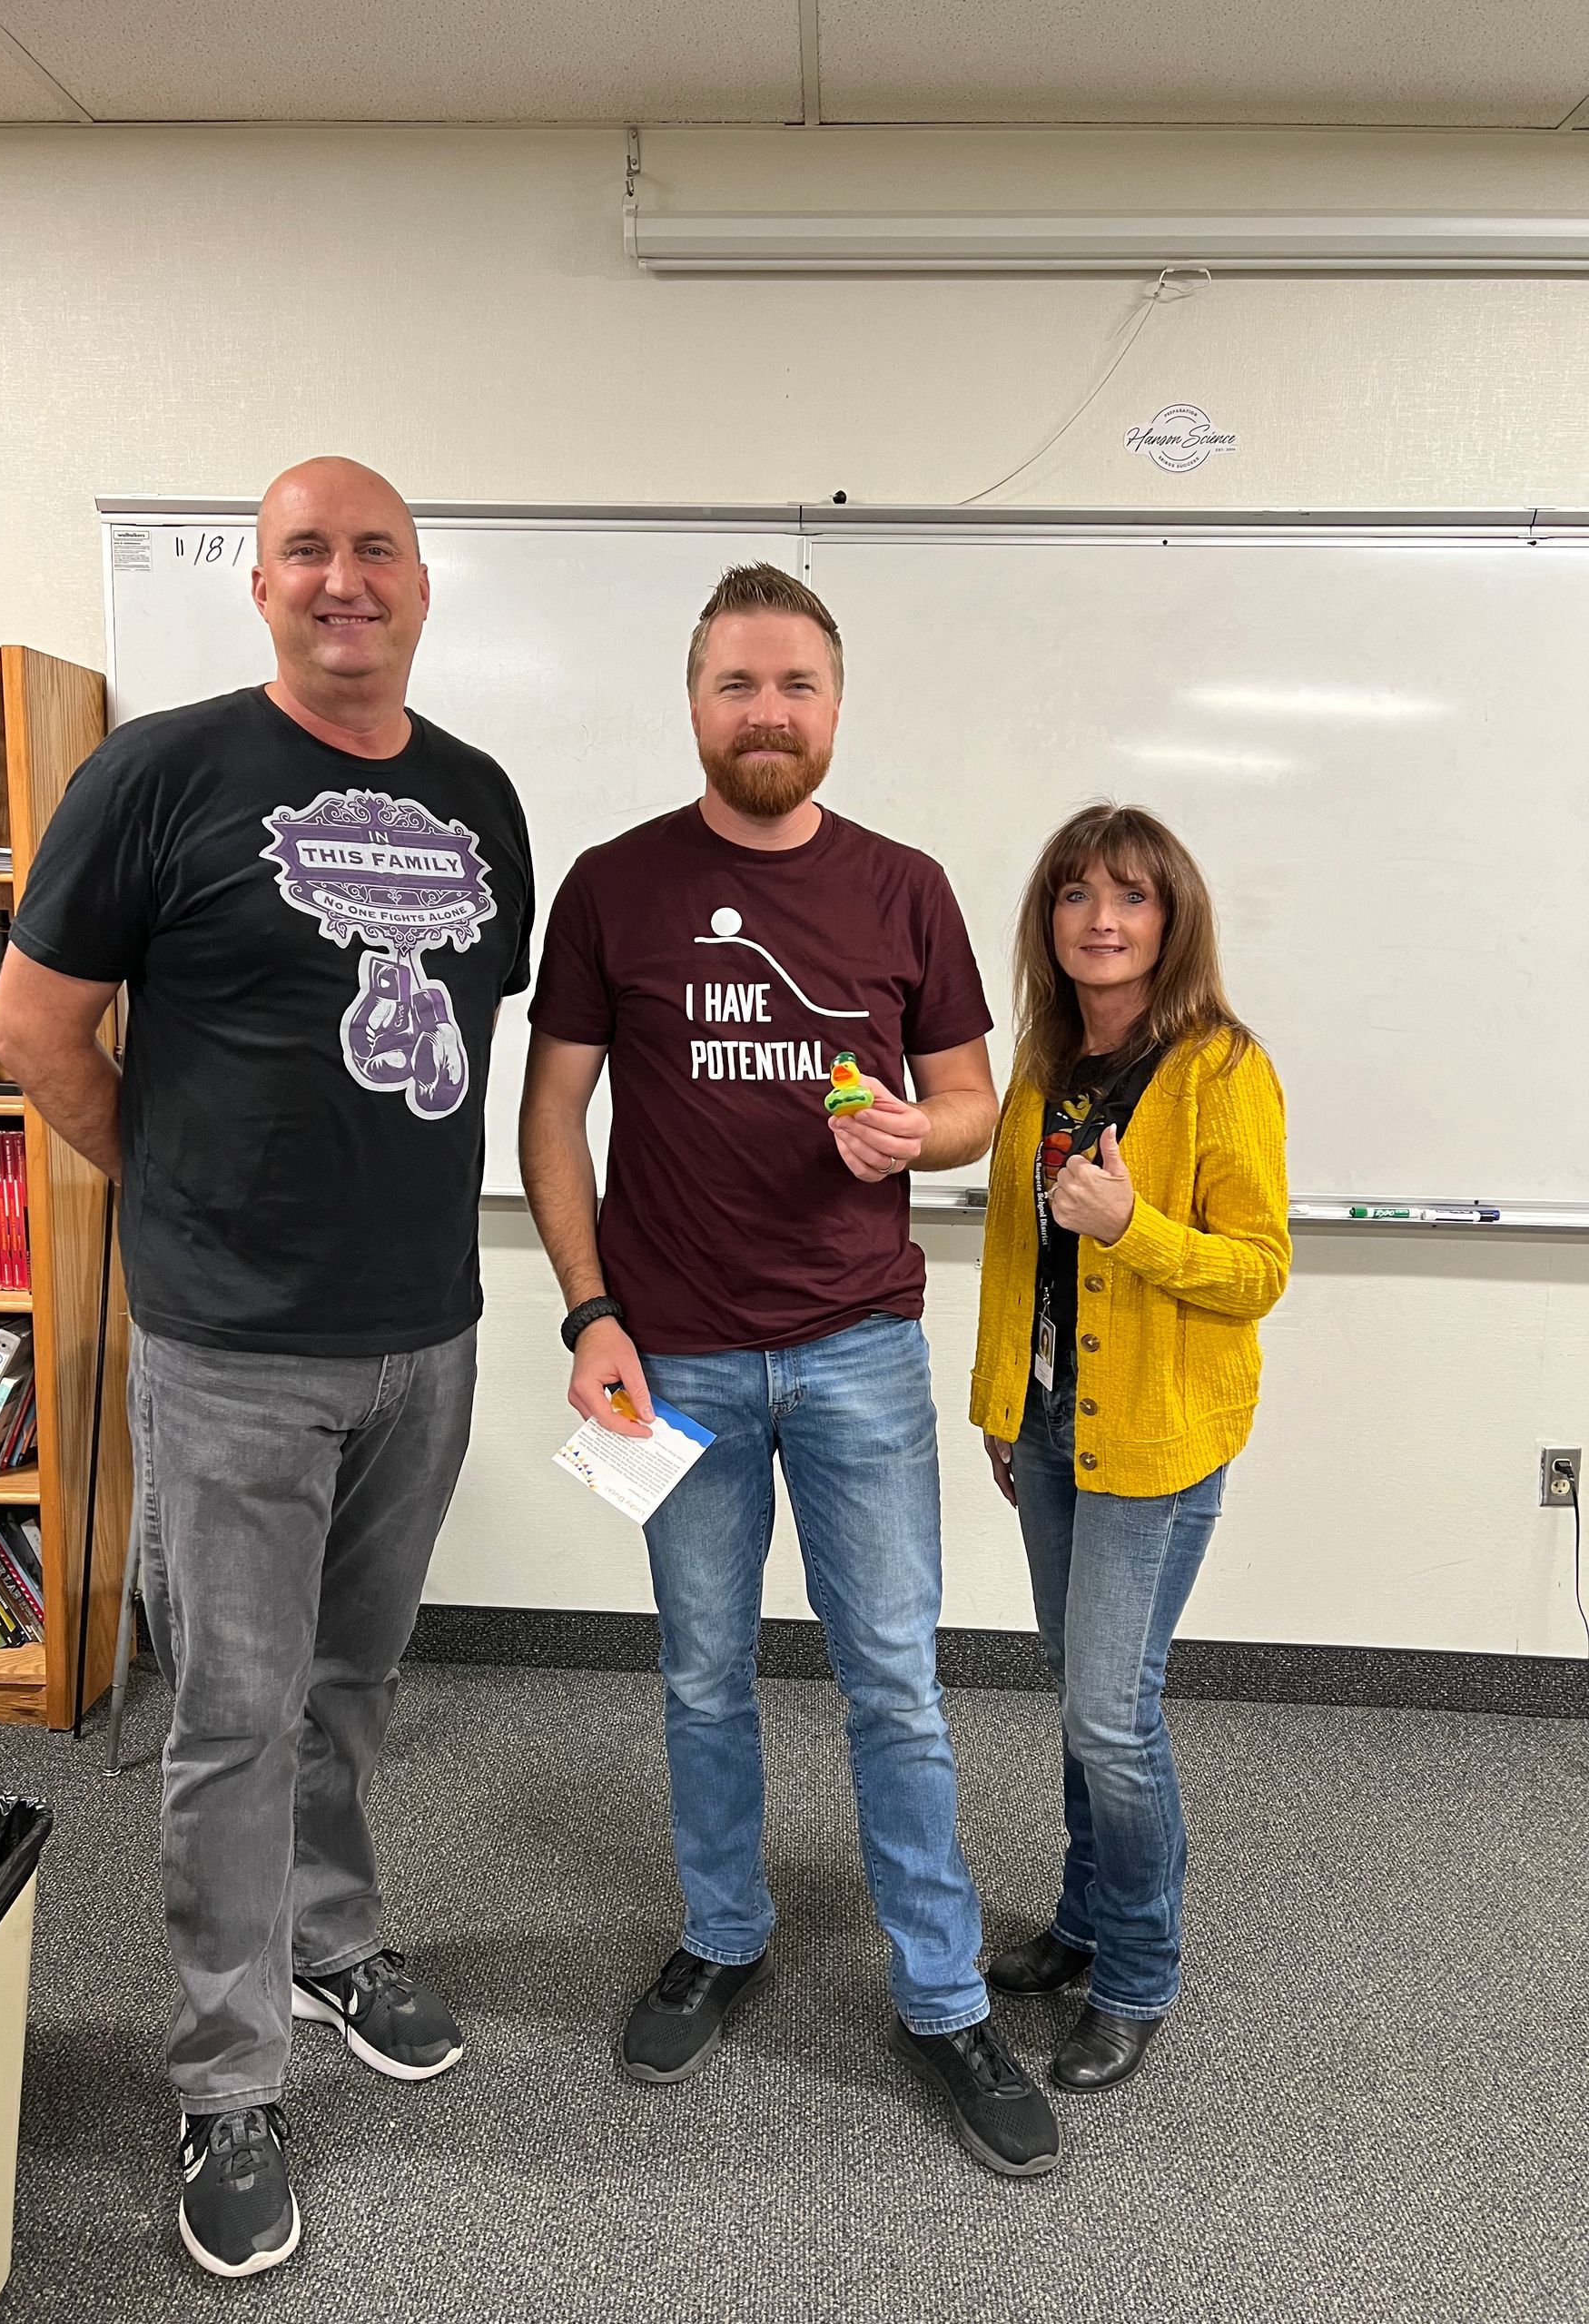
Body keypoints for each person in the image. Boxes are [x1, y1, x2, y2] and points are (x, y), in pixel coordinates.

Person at [0, 458, 534, 2278]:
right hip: (232, 1349)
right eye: (310, 548)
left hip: (425, 1335)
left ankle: (326, 1930)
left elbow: (453, 1037)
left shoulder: (478, 800)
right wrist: (170, 1184)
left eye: (378, 546)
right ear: (263, 584)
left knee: (353, 1673)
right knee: (232, 1716)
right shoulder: (161, 772)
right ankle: (226, 2079)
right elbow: (29, 1025)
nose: (345, 578)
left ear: (422, 581)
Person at [519, 563, 1061, 2180]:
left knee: (893, 1678)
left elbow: (974, 1104)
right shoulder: (615, 886)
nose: (768, 713)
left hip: (856, 1352)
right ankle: (726, 1932)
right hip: (668, 1355)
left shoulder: (905, 888)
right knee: (702, 1675)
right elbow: (551, 1119)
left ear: (837, 706)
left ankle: (945, 1994)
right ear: (695, 703)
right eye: (739, 685)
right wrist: (586, 1311)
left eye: (796, 686)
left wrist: (925, 1132)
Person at [972, 804, 1289, 2092]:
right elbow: (1012, 1256)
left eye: (1133, 897)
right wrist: (1003, 1405)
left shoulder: (1222, 1069)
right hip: (1054, 1427)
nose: (1102, 918)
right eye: (1076, 893)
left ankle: (1141, 1971)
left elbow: (1257, 1270)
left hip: (1157, 1439)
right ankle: (1085, 1917)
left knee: (1113, 1709)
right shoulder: (1044, 1064)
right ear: (1049, 919)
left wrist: (1133, 1225)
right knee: (1077, 1692)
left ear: (1173, 920)